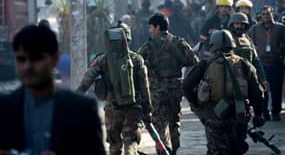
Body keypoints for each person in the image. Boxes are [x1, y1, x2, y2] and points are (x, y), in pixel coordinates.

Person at [0, 25, 106, 155]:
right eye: (21, 59)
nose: (28, 66)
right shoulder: (4, 108)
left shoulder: (81, 109)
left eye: (36, 58)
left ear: (55, 58)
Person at [183, 29, 265, 155]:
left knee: (217, 150)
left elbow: (187, 86)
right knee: (237, 150)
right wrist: (258, 114)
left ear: (212, 45)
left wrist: (198, 105)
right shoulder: (244, 64)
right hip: (239, 115)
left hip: (214, 115)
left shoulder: (205, 64)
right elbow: (257, 93)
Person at [77, 22, 152, 155]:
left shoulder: (102, 60)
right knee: (131, 144)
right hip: (132, 108)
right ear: (128, 38)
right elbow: (144, 87)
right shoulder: (137, 59)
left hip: (112, 110)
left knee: (114, 146)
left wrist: (74, 98)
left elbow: (86, 81)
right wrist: (147, 111)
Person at [138, 12, 197, 155]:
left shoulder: (148, 46)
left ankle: (163, 150)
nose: (149, 31)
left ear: (157, 27)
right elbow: (193, 61)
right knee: (174, 122)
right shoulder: (178, 42)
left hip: (157, 91)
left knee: (159, 123)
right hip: (176, 89)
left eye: (151, 27)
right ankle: (173, 150)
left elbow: (137, 64)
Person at [248, 5, 285, 121]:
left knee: (276, 89)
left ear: (272, 14)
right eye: (263, 14)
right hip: (261, 63)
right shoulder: (255, 29)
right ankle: (264, 112)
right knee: (262, 89)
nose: (265, 16)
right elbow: (249, 43)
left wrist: (280, 54)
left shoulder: (280, 28)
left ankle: (276, 112)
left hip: (276, 63)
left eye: (268, 14)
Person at [227, 12, 269, 97]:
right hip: (230, 78)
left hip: (248, 76)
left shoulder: (248, 40)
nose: (239, 26)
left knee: (259, 97)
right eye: (237, 24)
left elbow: (256, 61)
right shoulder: (227, 38)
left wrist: (263, 79)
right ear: (232, 24)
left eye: (242, 24)